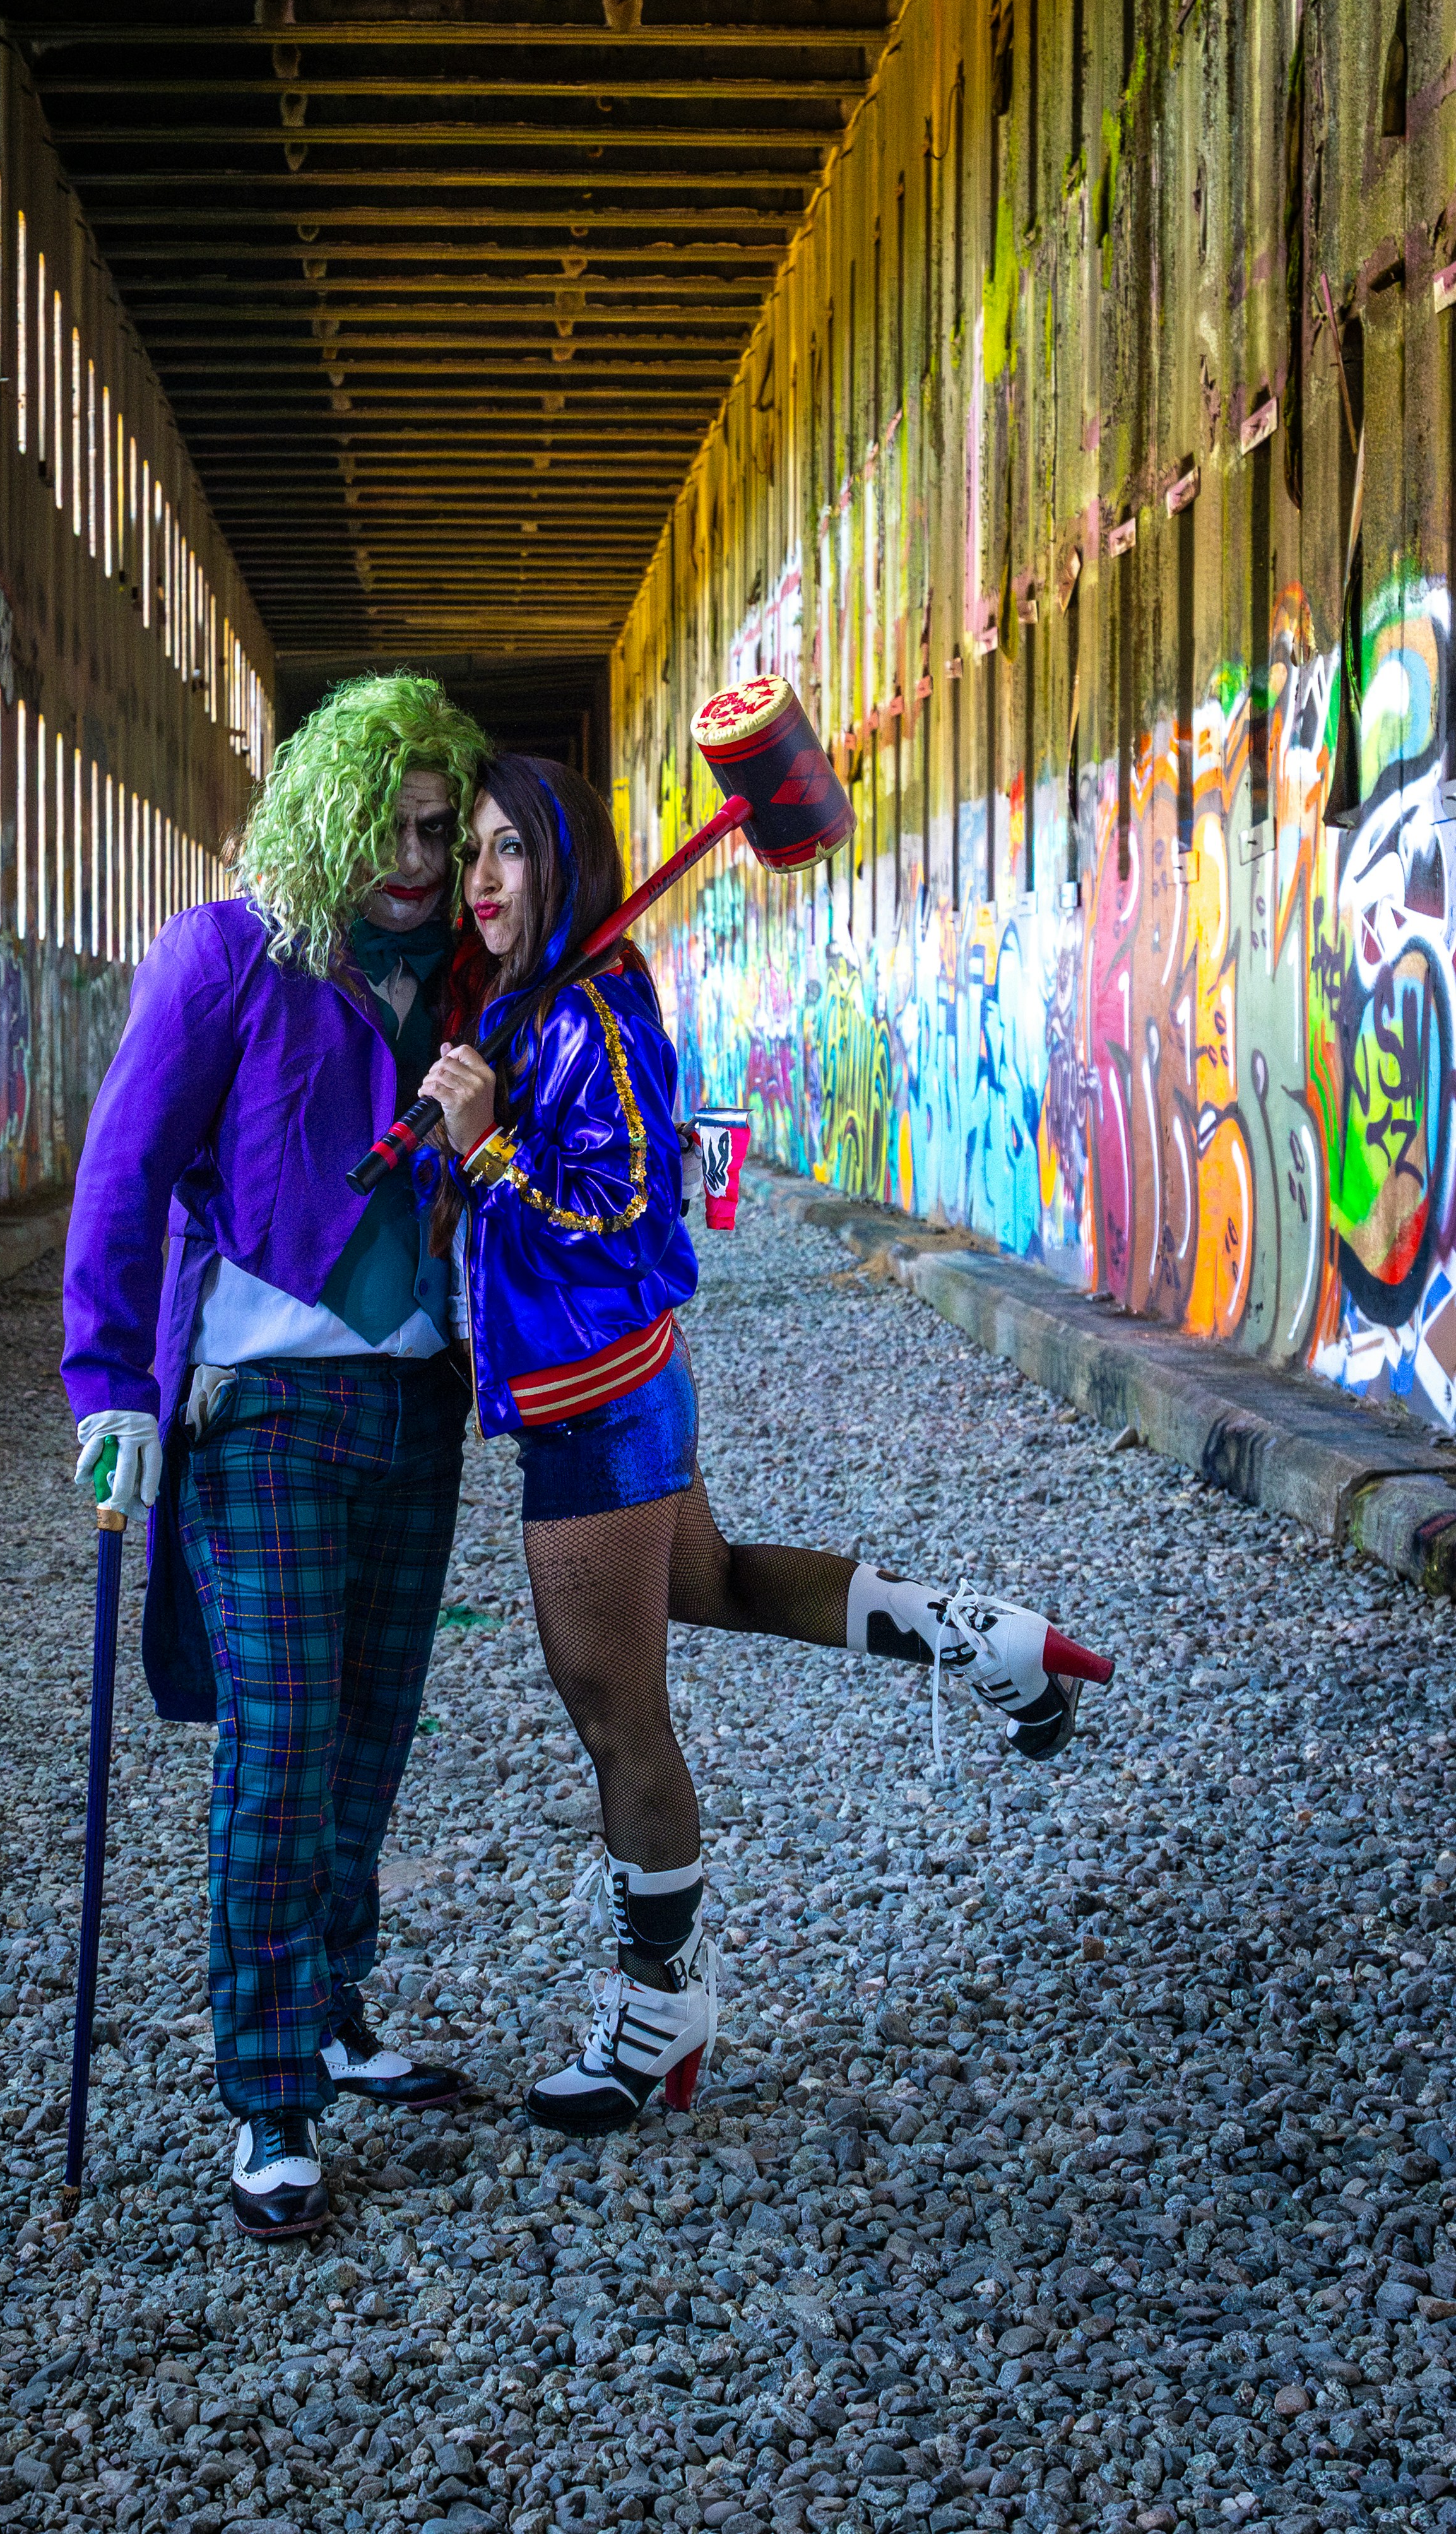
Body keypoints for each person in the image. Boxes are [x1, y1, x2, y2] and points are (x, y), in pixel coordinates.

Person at [417, 754, 1116, 2134]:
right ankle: (986, 1638)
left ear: (563, 866)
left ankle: (657, 2008)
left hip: (596, 1401)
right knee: (715, 1582)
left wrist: (488, 1152)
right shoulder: (525, 1005)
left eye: (509, 852)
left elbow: (626, 1228)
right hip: (601, 1390)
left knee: (614, 1708)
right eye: (473, 855)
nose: (483, 879)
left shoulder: (596, 1011)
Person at [61, 672, 491, 2241]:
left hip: (418, 1404)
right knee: (287, 1731)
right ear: (326, 810)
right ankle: (267, 2092)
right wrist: (107, 1378)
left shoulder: (469, 988)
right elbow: (123, 1167)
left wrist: (487, 1120)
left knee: (373, 1728)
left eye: (440, 829)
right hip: (261, 1409)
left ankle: (332, 2002)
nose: (416, 856)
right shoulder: (228, 956)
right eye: (386, 822)